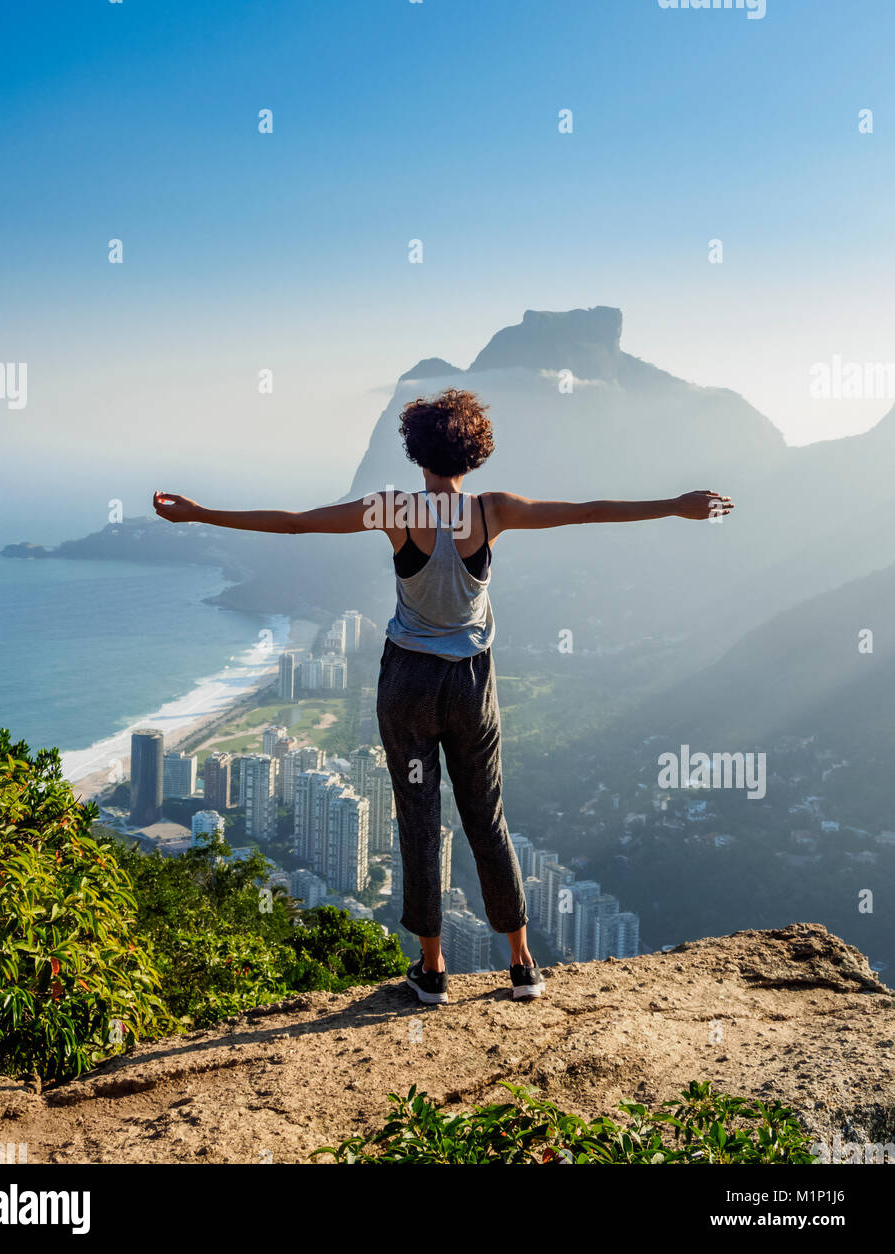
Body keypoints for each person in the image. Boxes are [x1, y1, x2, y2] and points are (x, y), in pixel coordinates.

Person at [153, 387, 733, 1005]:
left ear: (415, 452)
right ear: (475, 452)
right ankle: (523, 965)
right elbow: (588, 511)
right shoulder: (494, 510)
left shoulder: (395, 511)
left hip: (406, 684)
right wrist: (676, 505)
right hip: (471, 687)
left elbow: (295, 523)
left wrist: (201, 514)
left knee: (419, 822)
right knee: (487, 817)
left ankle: (432, 971)